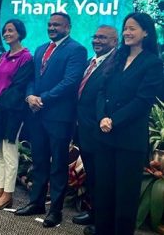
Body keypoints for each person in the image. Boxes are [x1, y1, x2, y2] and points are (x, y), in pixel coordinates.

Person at [16, 12, 87, 228]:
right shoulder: (40, 49)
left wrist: (42, 99)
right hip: (36, 115)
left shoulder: (77, 50)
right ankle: (36, 203)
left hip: (58, 118)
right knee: (38, 162)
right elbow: (31, 79)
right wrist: (29, 96)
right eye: (49, 24)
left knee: (57, 165)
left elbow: (70, 82)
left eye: (57, 24)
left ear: (68, 27)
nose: (52, 27)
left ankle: (55, 211)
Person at [94, 13, 162, 235]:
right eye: (125, 28)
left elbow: (143, 101)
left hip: (129, 139)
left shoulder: (153, 63)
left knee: (125, 196)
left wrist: (114, 120)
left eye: (132, 28)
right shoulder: (117, 57)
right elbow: (101, 90)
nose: (127, 32)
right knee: (104, 191)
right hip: (105, 135)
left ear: (146, 32)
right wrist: (102, 116)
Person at [0, 19, 33, 210]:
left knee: (10, 154)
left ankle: (8, 194)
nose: (6, 33)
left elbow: (17, 88)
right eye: (5, 30)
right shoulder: (4, 55)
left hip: (13, 112)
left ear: (20, 33)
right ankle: (0, 190)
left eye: (11, 30)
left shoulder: (26, 58)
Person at [72, 25, 118, 234]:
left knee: (102, 178)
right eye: (95, 37)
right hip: (84, 128)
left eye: (103, 38)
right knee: (91, 175)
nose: (97, 41)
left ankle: (102, 220)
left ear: (115, 41)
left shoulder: (115, 64)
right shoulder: (91, 62)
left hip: (100, 130)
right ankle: (93, 211)